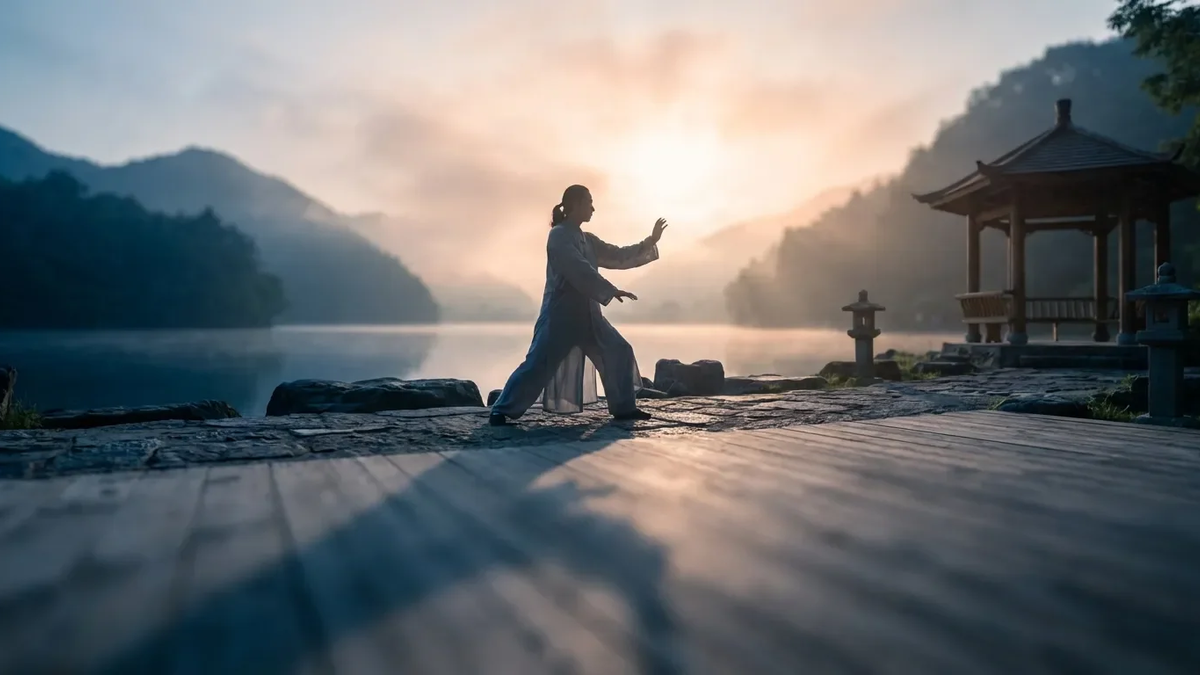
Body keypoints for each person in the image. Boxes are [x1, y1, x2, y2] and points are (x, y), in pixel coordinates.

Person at [490, 184, 668, 425]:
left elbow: (617, 255)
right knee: (537, 364)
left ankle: (624, 407)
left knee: (619, 351)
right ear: (574, 204)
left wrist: (649, 241)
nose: (593, 208)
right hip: (560, 317)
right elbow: (577, 268)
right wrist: (609, 289)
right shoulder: (559, 236)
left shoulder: (588, 240)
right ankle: (502, 408)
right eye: (589, 202)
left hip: (590, 316)